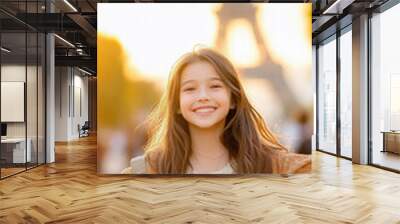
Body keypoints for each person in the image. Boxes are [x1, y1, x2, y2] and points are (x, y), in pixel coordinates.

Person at [121, 47, 311, 174]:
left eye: (215, 86)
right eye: (189, 88)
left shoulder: (277, 165)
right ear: (177, 104)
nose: (203, 96)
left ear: (233, 99)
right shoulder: (145, 169)